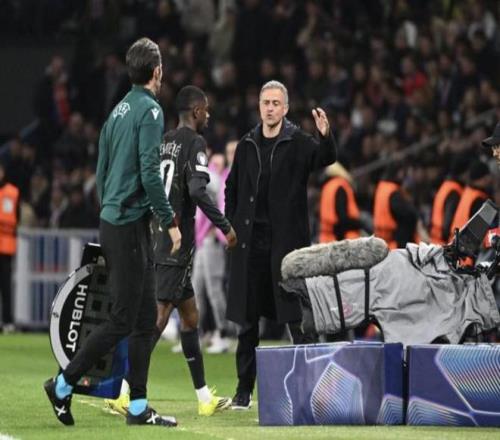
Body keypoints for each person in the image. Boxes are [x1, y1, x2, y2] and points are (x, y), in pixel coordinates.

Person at [43, 37, 182, 428]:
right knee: (123, 318)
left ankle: (137, 407)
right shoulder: (151, 111)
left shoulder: (117, 112)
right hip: (129, 224)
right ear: (157, 71)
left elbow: (101, 171)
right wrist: (169, 221)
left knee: (144, 319)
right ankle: (62, 384)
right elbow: (150, 172)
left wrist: (111, 209)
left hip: (116, 219)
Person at [108, 85, 237, 417]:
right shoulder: (195, 143)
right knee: (158, 318)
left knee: (190, 318)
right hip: (176, 242)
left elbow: (144, 182)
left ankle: (204, 398)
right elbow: (198, 190)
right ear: (195, 112)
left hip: (156, 235)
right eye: (205, 109)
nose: (208, 115)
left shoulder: (163, 141)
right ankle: (125, 392)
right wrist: (224, 225)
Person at [225, 80, 337, 409]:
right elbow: (232, 188)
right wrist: (231, 226)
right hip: (251, 245)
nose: (270, 108)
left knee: (295, 318)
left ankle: (309, 387)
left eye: (276, 103)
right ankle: (244, 390)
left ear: (285, 108)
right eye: (266, 103)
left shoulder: (298, 141)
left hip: (286, 247)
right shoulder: (247, 144)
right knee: (248, 322)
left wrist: (325, 135)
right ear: (259, 107)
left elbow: (325, 158)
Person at [373, 164, 429, 249]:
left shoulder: (382, 187)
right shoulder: (393, 192)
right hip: (394, 245)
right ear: (398, 172)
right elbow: (407, 214)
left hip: (382, 242)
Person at [318, 162, 363, 243]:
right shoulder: (341, 186)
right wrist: (359, 224)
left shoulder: (328, 186)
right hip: (343, 241)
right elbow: (342, 218)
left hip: (327, 240)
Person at [0, 162, 19, 333]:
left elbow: (16, 217)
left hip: (6, 248)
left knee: (6, 288)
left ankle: (8, 322)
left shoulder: (12, 193)